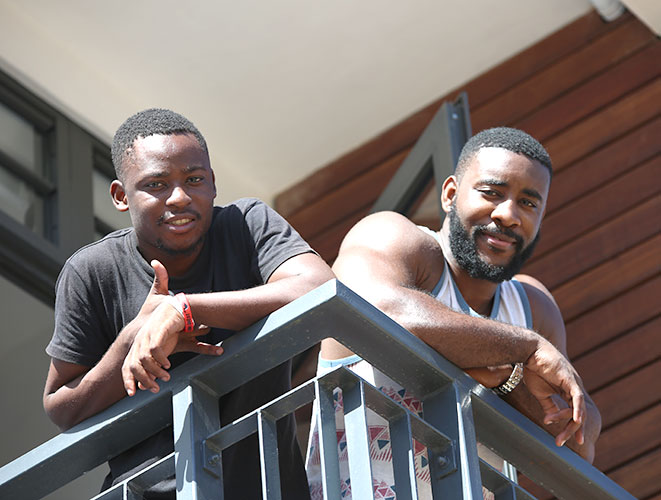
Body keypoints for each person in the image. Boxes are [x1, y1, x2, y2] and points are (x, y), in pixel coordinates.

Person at [43, 108, 334, 499]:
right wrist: (136, 336)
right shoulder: (93, 272)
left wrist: (182, 311)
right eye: (156, 185)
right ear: (121, 196)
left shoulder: (246, 225)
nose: (179, 197)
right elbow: (62, 407)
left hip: (266, 488)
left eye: (194, 180)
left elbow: (318, 287)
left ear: (212, 183)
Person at [305, 127, 601, 499]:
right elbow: (375, 309)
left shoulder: (532, 306)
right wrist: (524, 348)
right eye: (492, 192)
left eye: (528, 204)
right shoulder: (395, 238)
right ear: (450, 194)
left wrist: (507, 379)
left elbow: (578, 443)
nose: (508, 215)